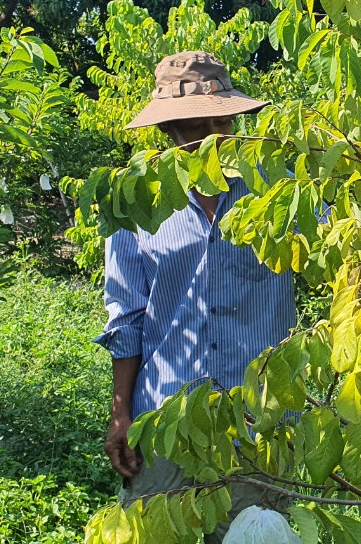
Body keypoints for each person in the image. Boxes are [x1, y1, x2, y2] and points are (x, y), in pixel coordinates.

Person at [95, 51, 295, 541]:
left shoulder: (279, 189)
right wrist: (122, 415)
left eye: (216, 120)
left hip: (260, 424)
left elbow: (340, 257)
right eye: (190, 125)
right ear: (168, 130)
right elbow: (127, 316)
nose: (206, 135)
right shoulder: (136, 200)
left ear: (231, 117)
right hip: (168, 424)